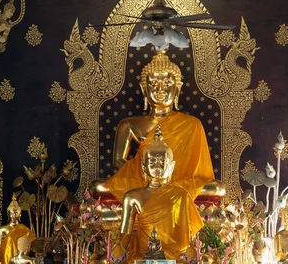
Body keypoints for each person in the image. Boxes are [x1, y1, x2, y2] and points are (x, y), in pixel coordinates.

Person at [92, 50, 223, 203]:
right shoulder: (128, 124)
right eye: (153, 84)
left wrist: (167, 176)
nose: (160, 90)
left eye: (167, 84)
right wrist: (148, 174)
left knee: (217, 189)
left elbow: (198, 172)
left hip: (179, 183)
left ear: (177, 89)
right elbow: (118, 160)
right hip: (142, 182)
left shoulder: (192, 124)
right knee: (98, 187)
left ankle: (157, 200)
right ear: (144, 89)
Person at [120, 127, 203, 262]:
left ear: (171, 166)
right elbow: (125, 232)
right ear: (143, 166)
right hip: (143, 255)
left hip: (175, 255)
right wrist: (118, 251)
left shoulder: (181, 195)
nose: (157, 167)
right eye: (152, 163)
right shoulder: (132, 197)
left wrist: (191, 250)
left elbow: (188, 235)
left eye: (162, 163)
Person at [0, 193, 35, 264]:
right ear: (8, 214)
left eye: (16, 213)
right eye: (11, 213)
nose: (14, 216)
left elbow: (29, 246)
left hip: (20, 258)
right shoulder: (2, 229)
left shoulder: (24, 229)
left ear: (19, 214)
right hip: (6, 256)